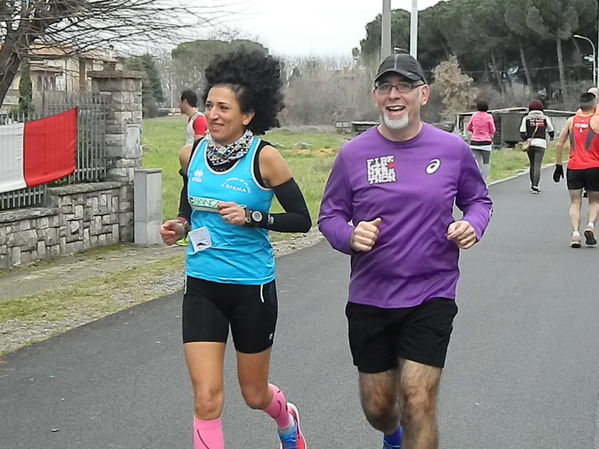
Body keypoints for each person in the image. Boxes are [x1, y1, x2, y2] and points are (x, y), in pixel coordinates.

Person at [318, 52, 492, 449]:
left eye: (404, 87)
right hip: (370, 297)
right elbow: (329, 215)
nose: (394, 95)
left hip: (431, 293)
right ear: (375, 96)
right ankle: (392, 437)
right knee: (379, 408)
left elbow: (479, 201)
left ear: (423, 94)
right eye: (385, 87)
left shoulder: (451, 149)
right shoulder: (353, 155)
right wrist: (349, 236)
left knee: (418, 400)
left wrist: (472, 225)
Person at [161, 47, 311, 449]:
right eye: (209, 105)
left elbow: (301, 220)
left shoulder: (266, 159)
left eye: (223, 107)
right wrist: (179, 226)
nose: (212, 114)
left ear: (247, 115)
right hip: (202, 286)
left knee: (253, 394)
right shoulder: (190, 153)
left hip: (252, 290)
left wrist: (255, 217)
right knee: (206, 398)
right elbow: (188, 208)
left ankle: (287, 420)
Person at [552, 91, 599, 248]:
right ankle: (591, 225)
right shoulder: (597, 121)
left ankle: (575, 234)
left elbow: (559, 144)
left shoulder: (571, 121)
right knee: (594, 201)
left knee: (575, 202)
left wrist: (558, 165)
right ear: (594, 105)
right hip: (594, 167)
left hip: (574, 167)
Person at [518, 100, 555, 194]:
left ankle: (532, 183)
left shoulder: (526, 118)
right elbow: (551, 130)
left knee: (532, 164)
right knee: (538, 164)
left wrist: (527, 139)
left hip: (530, 143)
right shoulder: (545, 118)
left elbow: (522, 132)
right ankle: (535, 185)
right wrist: (551, 138)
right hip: (541, 143)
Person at [466, 100, 496, 181]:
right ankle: (484, 181)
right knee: (486, 163)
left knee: (476, 163)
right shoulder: (489, 117)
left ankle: (476, 180)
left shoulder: (474, 115)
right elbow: (493, 130)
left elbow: (468, 127)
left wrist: (474, 131)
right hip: (486, 143)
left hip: (474, 142)